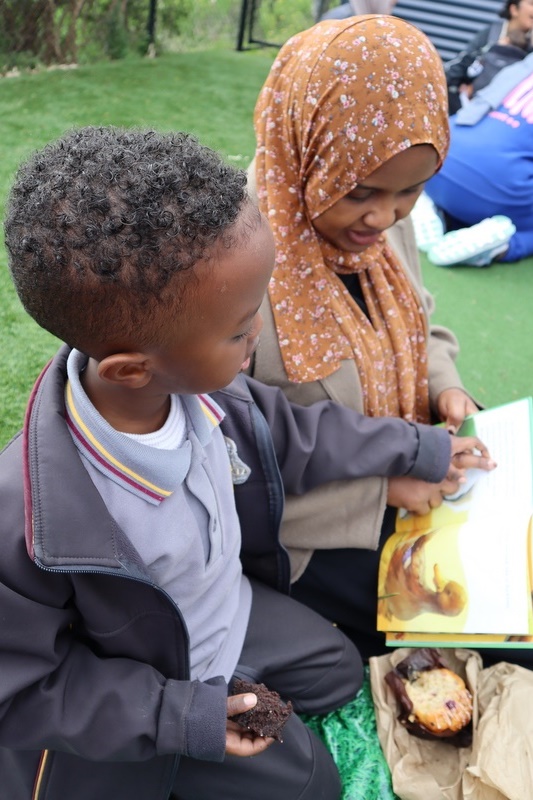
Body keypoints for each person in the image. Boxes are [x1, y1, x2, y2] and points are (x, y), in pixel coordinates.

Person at [0, 126, 492, 800]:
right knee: (312, 783)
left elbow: (302, 433)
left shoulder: (211, 393)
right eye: (237, 329)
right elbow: (24, 690)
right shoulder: (30, 516)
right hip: (155, 686)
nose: (256, 332)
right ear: (130, 368)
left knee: (339, 673)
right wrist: (178, 716)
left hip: (227, 613)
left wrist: (421, 447)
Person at [248, 14, 495, 659]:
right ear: (305, 146)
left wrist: (446, 387)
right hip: (314, 536)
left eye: (411, 191)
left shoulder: (380, 230)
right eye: (359, 191)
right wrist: (380, 494)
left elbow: (420, 321)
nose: (384, 217)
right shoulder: (233, 272)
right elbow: (225, 475)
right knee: (487, 630)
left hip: (422, 470)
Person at [421, 52, 533, 267]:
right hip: (498, 190)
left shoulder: (524, 65)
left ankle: (430, 205)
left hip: (437, 161)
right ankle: (501, 247)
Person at [445, 0, 533, 114]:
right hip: (469, 104)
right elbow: (461, 64)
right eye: (532, 4)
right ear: (514, 9)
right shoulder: (491, 34)